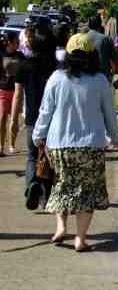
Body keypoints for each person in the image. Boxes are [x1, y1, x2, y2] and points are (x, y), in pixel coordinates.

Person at [32, 34, 118, 251]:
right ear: (93, 55)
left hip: (59, 144)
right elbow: (109, 113)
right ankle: (80, 238)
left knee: (61, 186)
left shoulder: (56, 78)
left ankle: (61, 227)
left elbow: (45, 111)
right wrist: (113, 138)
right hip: (91, 145)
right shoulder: (100, 80)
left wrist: (38, 135)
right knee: (87, 191)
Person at [13, 26, 57, 209]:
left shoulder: (23, 65)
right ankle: (46, 197)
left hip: (32, 117)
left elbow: (17, 95)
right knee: (49, 157)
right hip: (52, 119)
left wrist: (14, 120)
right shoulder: (54, 66)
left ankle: (32, 184)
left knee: (32, 156)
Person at [0, 32, 25, 155]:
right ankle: (1, 147)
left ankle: (12, 145)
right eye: (16, 41)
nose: (18, 43)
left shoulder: (20, 55)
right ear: (9, 42)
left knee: (14, 119)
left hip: (17, 91)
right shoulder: (1, 54)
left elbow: (26, 70)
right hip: (3, 90)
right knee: (2, 118)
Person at [85, 16, 118, 89]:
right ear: (100, 25)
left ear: (89, 25)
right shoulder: (106, 39)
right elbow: (115, 60)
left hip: (86, 77)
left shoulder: (83, 38)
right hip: (104, 77)